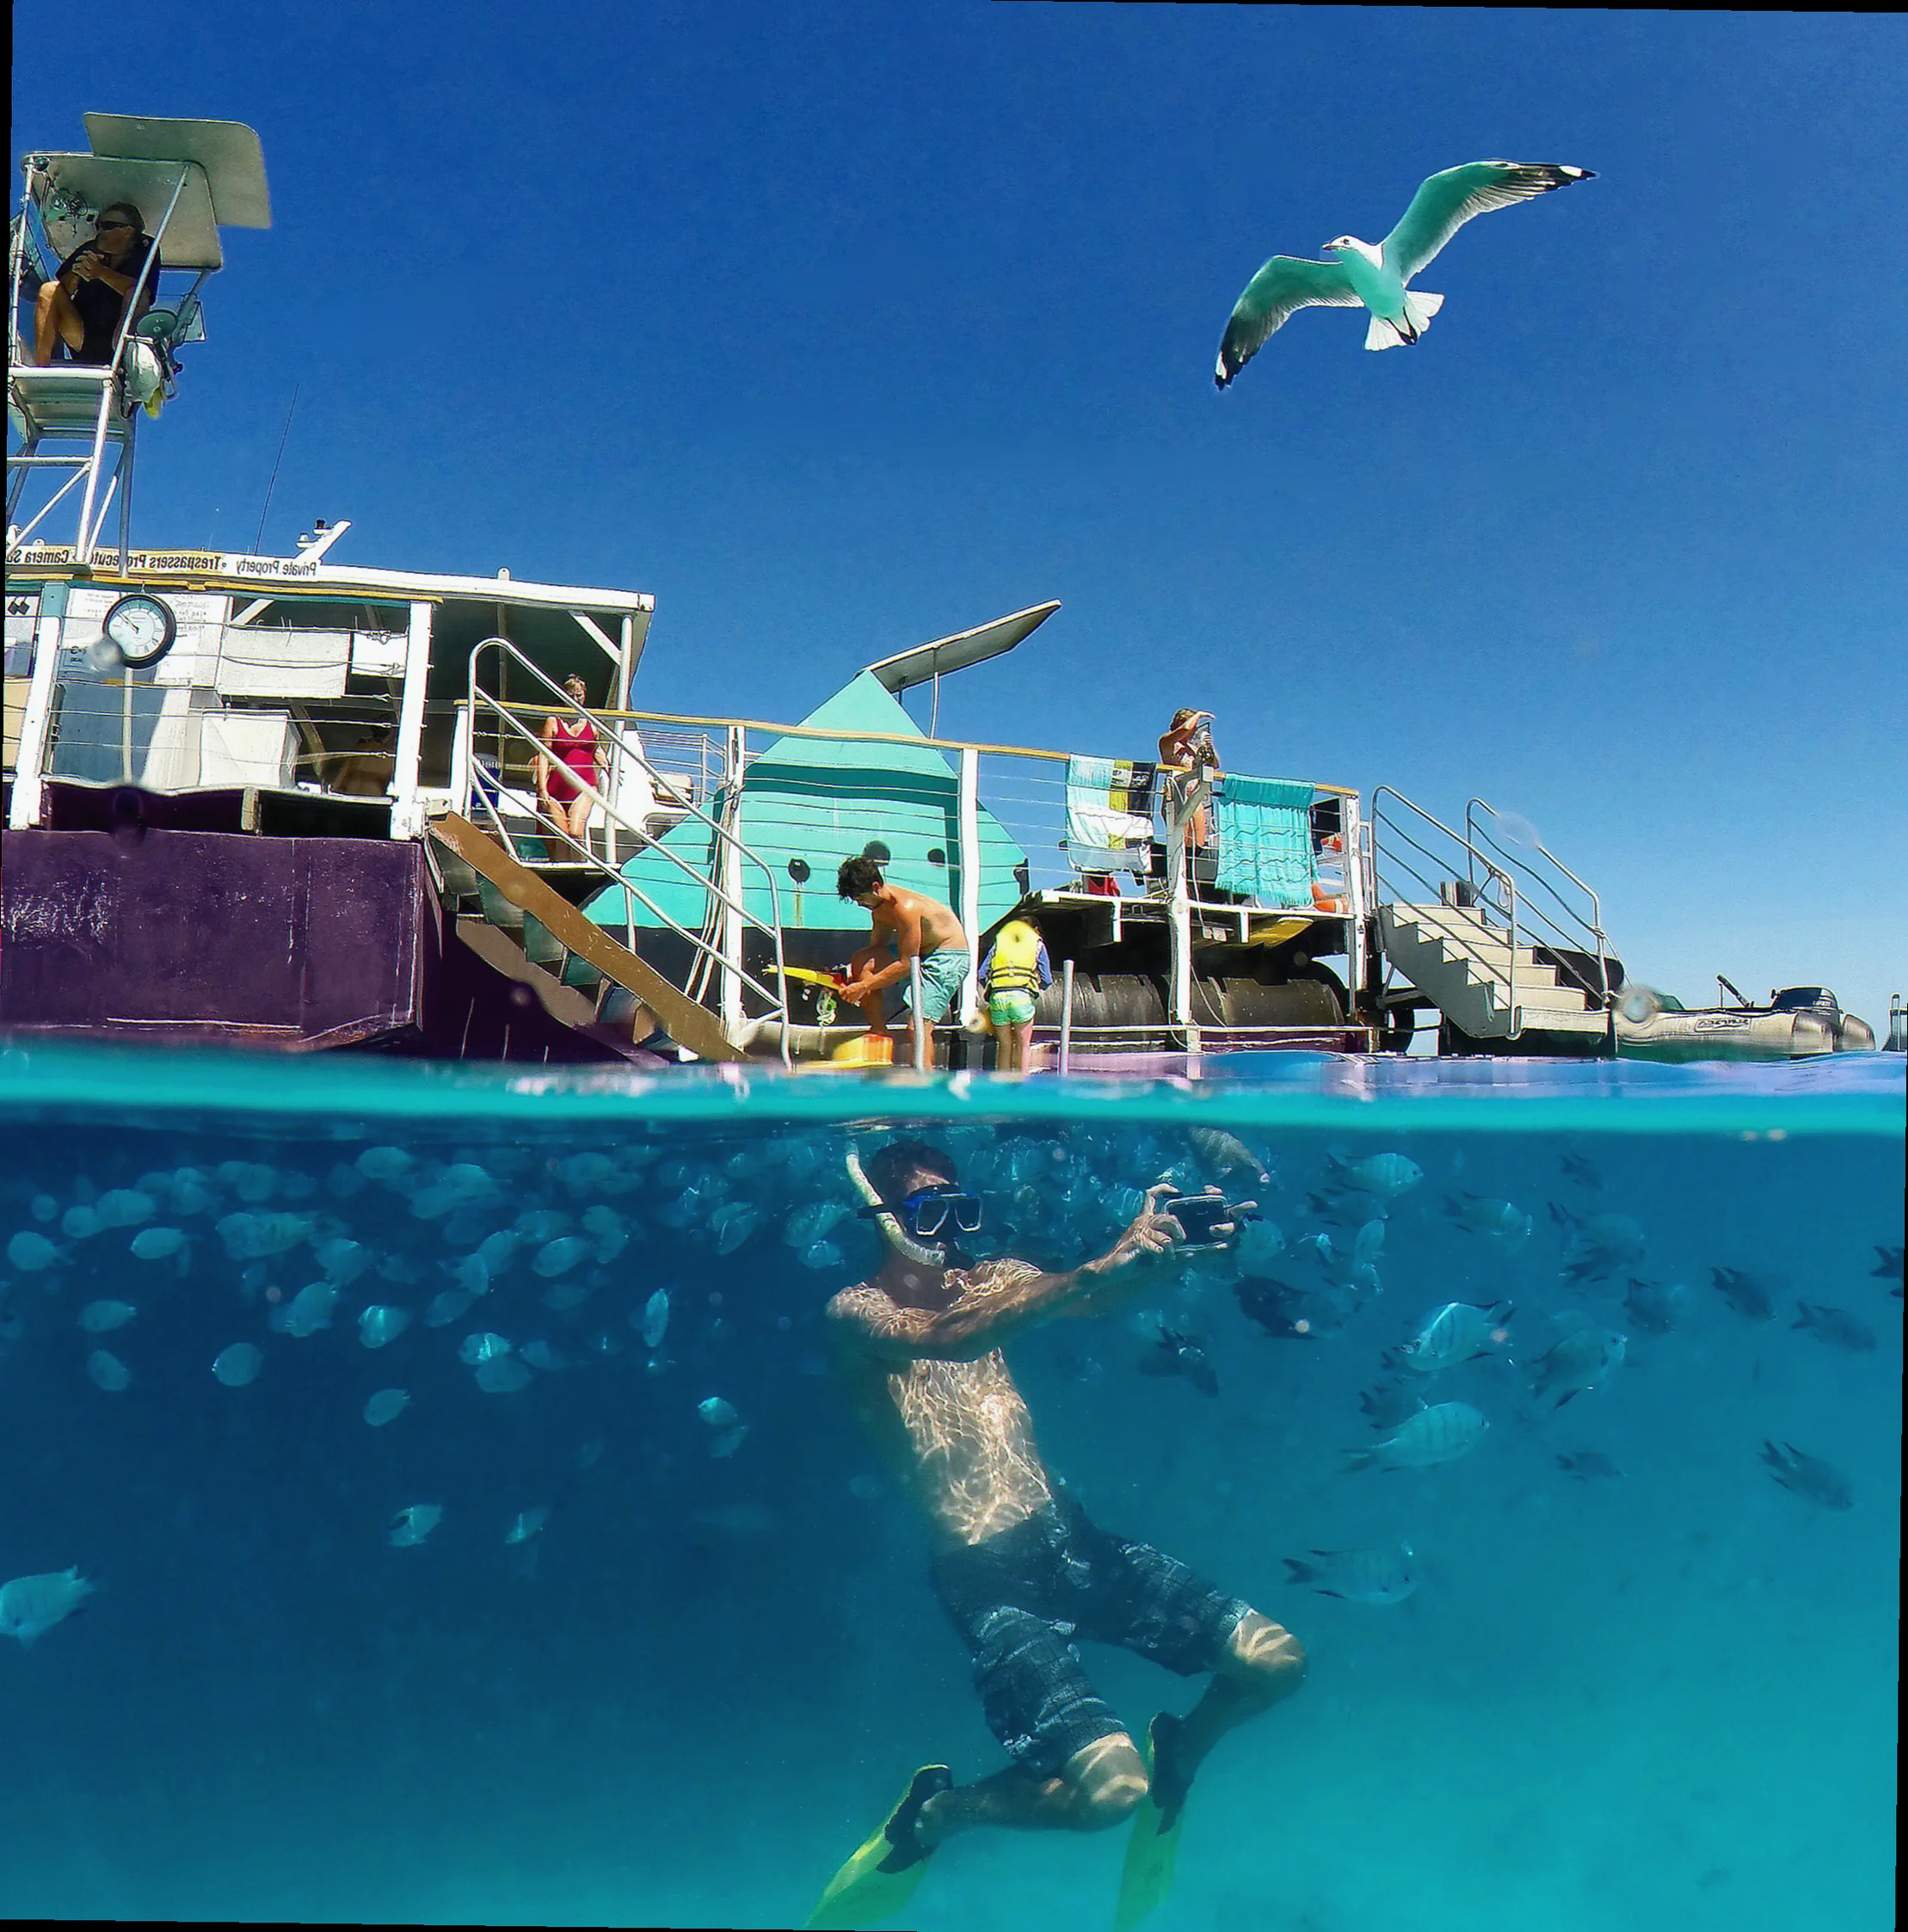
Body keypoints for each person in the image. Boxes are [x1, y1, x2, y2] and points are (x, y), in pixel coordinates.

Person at [808, 1138, 1302, 1929]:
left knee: (1276, 1663)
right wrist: (1101, 1269)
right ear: (883, 1217)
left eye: (961, 1209)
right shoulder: (857, 1311)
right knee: (1109, 1796)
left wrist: (1167, 1252)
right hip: (983, 1573)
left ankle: (1186, 1746)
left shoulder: (993, 1278)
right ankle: (940, 1814)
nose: (949, 1231)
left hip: (1072, 1542)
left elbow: (1090, 1296)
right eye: (929, 1212)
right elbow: (949, 1337)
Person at [834, 857, 970, 1069]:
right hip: (921, 952)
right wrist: (852, 976)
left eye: (860, 897)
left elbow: (906, 963)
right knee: (862, 960)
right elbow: (873, 955)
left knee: (918, 1026)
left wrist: (862, 987)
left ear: (876, 887)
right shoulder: (879, 910)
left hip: (948, 956)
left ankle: (924, 1082)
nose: (858, 903)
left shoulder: (906, 907)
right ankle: (879, 1032)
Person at [33, 203, 156, 368]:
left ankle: (128, 360)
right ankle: (41, 366)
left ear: (128, 230)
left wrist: (101, 273)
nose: (101, 231)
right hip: (82, 336)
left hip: (119, 344)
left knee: (136, 294)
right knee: (49, 289)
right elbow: (63, 290)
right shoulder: (90, 247)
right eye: (99, 226)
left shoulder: (145, 248)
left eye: (108, 226)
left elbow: (143, 291)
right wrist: (77, 274)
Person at [976, 915, 1051, 1073]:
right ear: (1035, 929)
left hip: (998, 998)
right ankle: (1020, 1084)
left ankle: (1002, 1084)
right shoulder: (1037, 944)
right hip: (1022, 997)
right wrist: (1035, 987)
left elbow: (982, 974)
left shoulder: (999, 944)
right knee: (1023, 1045)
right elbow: (1047, 979)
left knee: (1004, 1045)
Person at [536, 674, 603, 847]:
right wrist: (542, 788)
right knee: (562, 839)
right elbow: (544, 755)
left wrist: (611, 769)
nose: (575, 700)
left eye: (579, 695)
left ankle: (580, 869)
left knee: (575, 833)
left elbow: (597, 751)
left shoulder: (592, 723)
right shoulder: (553, 721)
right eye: (571, 695)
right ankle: (567, 874)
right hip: (556, 788)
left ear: (584, 695)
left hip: (584, 786)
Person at [1157, 707, 1220, 855]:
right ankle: (1177, 873)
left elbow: (1215, 764)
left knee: (1198, 842)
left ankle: (1194, 874)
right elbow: (1185, 729)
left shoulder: (1192, 748)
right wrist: (1199, 715)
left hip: (1195, 795)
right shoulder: (1167, 742)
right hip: (1176, 794)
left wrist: (1208, 746)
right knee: (1181, 840)